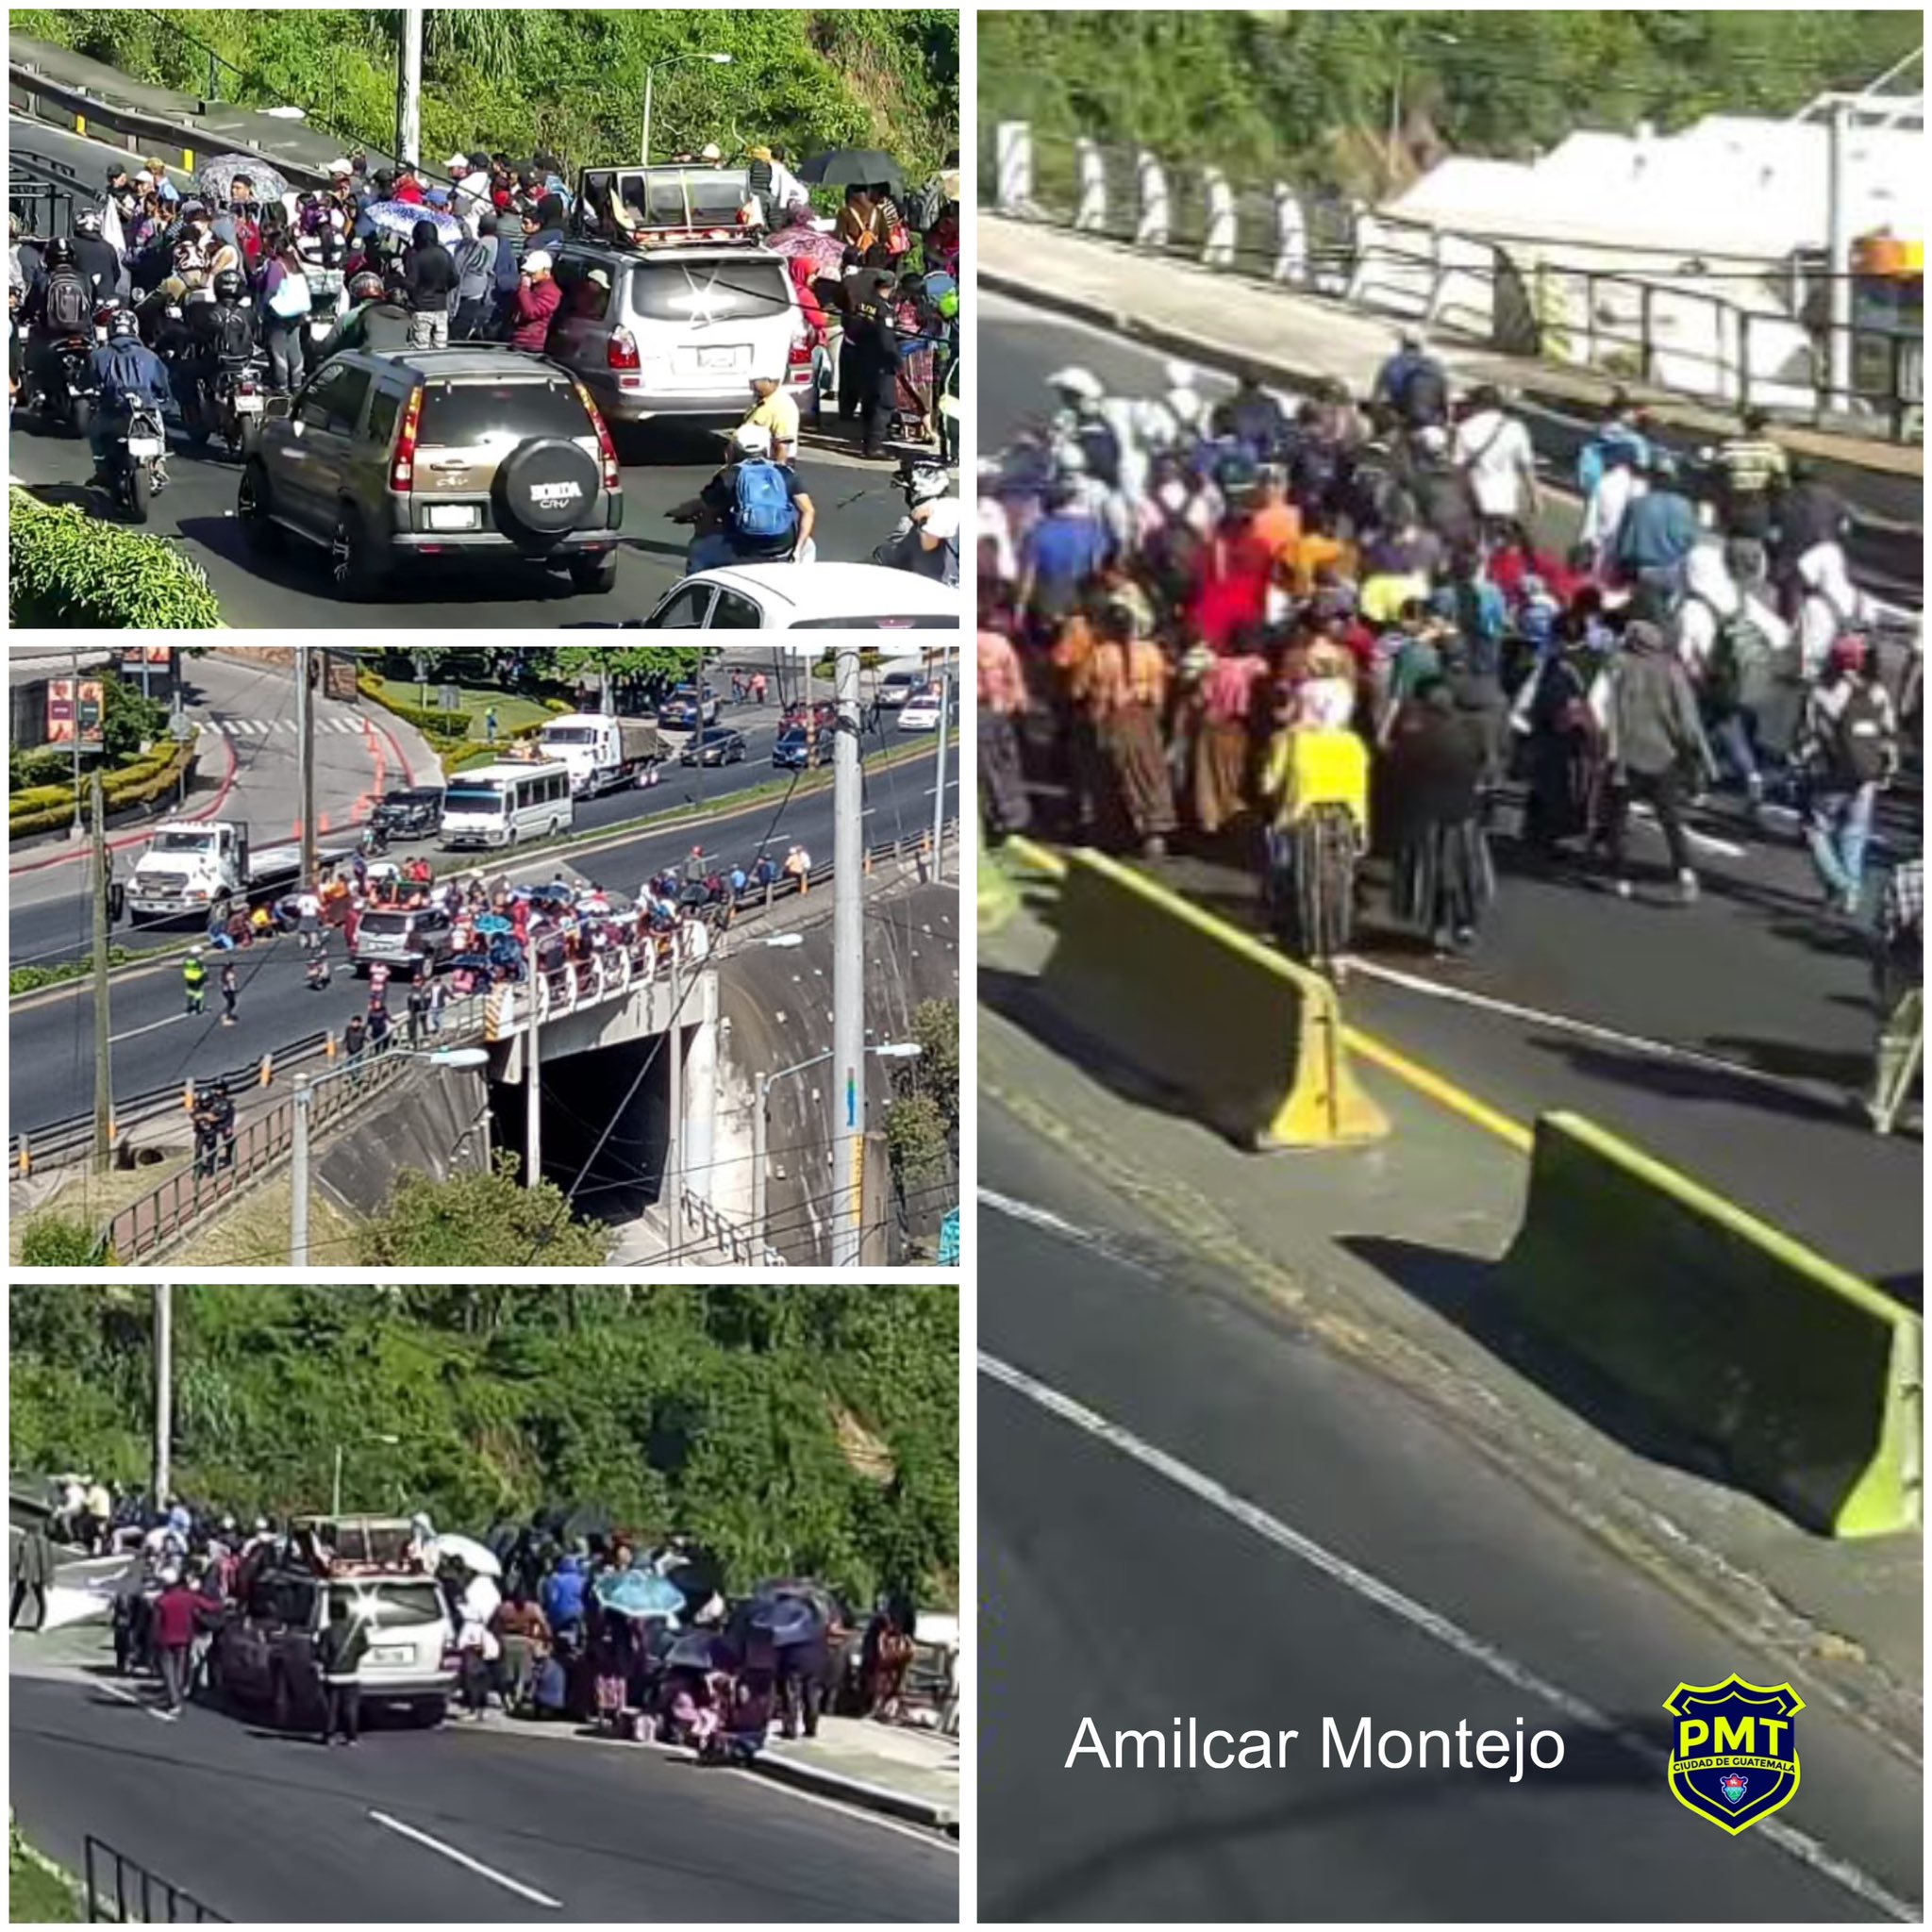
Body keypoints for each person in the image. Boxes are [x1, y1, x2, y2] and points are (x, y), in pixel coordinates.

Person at [1601, 619, 1716, 904]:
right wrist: (1699, 756)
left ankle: (1621, 877)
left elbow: (1608, 710)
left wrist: (1609, 750)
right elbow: (1688, 720)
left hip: (1626, 755)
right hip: (1663, 754)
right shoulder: (1671, 670)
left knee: (1617, 817)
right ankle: (1685, 873)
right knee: (1670, 819)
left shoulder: (1618, 666)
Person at [1382, 676, 1495, 954]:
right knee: (1463, 874)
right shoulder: (1471, 729)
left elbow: (1396, 768)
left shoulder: (1415, 731)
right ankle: (1464, 923)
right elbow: (1487, 766)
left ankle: (1439, 929)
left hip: (1426, 817)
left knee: (1432, 876)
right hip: (1462, 815)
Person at [1795, 635, 1898, 919]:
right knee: (1854, 834)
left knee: (1815, 828)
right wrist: (1886, 767)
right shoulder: (1878, 692)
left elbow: (1811, 733)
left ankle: (1842, 884)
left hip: (1834, 773)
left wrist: (1801, 759)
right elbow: (1889, 731)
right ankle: (1850, 894)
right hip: (1867, 774)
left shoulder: (1824, 693)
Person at [683, 423, 813, 569]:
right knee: (810, 547)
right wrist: (797, 550)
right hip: (782, 547)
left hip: (743, 549)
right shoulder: (784, 473)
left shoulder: (728, 476)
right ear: (767, 447)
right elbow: (808, 511)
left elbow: (707, 510)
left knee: (699, 549)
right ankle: (798, 572)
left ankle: (696, 587)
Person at [1867, 855, 1923, 1133]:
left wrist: (1879, 971)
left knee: (1894, 1039)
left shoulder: (1904, 874)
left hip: (1907, 967)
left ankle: (1882, 1106)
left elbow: (1885, 928)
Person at [1452, 385, 1539, 538]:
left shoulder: (1464, 429)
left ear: (1477, 404)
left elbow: (1457, 469)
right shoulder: (1516, 428)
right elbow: (1526, 466)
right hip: (1505, 502)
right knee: (1500, 550)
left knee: (1470, 549)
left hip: (1475, 502)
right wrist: (1534, 497)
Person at [1708, 406, 1789, 540]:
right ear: (1762, 426)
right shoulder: (1772, 449)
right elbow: (1782, 479)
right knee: (1755, 542)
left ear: (1745, 425)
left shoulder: (1729, 446)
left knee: (1730, 542)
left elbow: (1715, 473)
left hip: (1732, 500)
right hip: (1757, 501)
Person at [150, 1569, 215, 1717]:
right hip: (184, 1637)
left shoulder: (161, 1601)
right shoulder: (188, 1598)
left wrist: (153, 1640)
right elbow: (209, 1606)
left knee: (168, 1671)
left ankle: (174, 1700)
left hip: (165, 1639)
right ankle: (177, 1697)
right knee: (180, 1669)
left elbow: (155, 1623)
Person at [316, 1593, 370, 1747]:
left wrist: (326, 1662)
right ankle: (351, 1736)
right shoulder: (356, 1630)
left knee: (331, 1708)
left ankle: (329, 1735)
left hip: (333, 1675)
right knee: (351, 1707)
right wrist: (353, 1659)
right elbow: (364, 1647)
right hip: (351, 1673)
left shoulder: (328, 1632)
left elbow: (321, 1653)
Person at [1373, 326, 1448, 430]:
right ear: (1421, 346)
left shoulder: (1391, 363)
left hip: (1400, 417)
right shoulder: (1434, 365)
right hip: (1430, 420)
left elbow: (1376, 398)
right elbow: (1444, 397)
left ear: (1402, 344)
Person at [402, 217, 457, 348]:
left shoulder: (416, 257)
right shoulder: (445, 254)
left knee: (421, 349)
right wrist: (443, 290)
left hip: (421, 308)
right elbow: (455, 279)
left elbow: (411, 283)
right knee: (440, 348)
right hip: (441, 307)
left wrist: (401, 282)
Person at [741, 372, 800, 465]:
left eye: (754, 382)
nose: (751, 387)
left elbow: (783, 443)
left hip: (768, 463)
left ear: (769, 381)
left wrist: (777, 471)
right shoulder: (763, 399)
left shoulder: (781, 404)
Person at [508, 249, 560, 352]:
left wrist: (525, 288)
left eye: (533, 272)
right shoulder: (534, 286)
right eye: (528, 272)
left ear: (546, 271)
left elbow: (531, 312)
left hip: (531, 344)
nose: (529, 275)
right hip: (518, 339)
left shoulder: (551, 292)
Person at [9, 1521, 54, 1632]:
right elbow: (47, 1562)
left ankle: (10, 1624)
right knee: (38, 1600)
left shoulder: (28, 1541)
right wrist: (48, 1577)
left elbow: (19, 1558)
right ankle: (40, 1624)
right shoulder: (42, 1542)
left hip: (28, 1574)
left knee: (19, 1600)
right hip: (34, 1575)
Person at [182, 947, 208, 1016]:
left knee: (190, 992)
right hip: (198, 978)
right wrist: (206, 979)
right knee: (199, 994)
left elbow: (185, 968)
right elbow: (204, 971)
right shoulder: (199, 962)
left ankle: (189, 1007)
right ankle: (199, 1009)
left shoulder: (187, 961)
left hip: (189, 978)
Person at [219, 958, 239, 1027]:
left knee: (232, 1003)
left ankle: (228, 1014)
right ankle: (226, 1017)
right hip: (228, 991)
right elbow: (228, 982)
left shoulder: (226, 972)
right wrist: (232, 989)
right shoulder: (228, 973)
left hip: (228, 990)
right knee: (231, 1003)